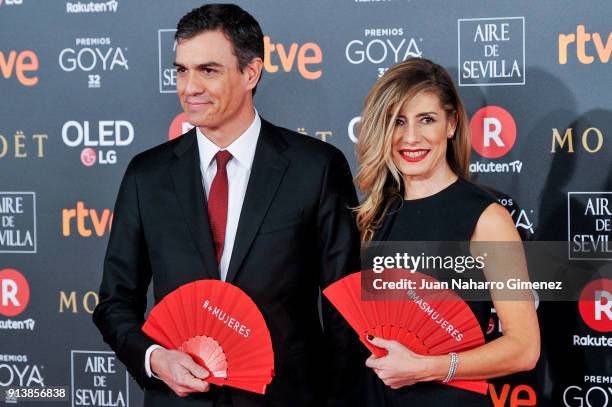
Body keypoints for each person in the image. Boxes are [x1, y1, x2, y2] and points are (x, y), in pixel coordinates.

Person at [92, 4, 361, 407]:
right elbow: (115, 301)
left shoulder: (316, 168)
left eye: (208, 70)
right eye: (181, 70)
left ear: (250, 73)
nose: (189, 87)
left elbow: (346, 306)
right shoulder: (146, 175)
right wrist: (155, 358)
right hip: (179, 399)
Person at [354, 58, 540, 406]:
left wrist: (425, 367)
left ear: (451, 124)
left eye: (427, 119)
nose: (410, 137)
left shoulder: (487, 219)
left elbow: (524, 348)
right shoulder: (373, 214)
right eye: (397, 121)